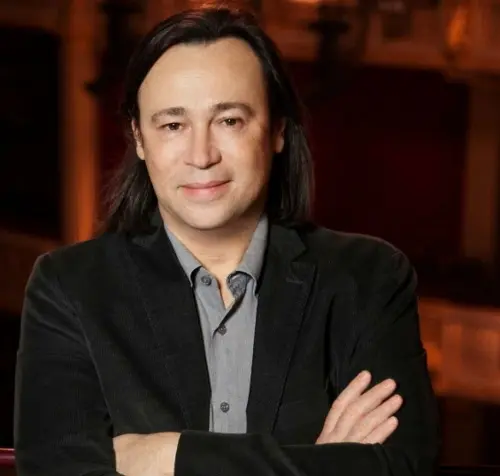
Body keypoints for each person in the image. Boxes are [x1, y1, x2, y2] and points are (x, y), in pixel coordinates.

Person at [14, 6, 439, 476]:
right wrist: (318, 462)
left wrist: (169, 455)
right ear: (139, 138)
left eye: (230, 120)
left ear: (277, 130)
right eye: (173, 125)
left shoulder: (368, 277)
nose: (202, 156)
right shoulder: (69, 287)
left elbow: (401, 467)